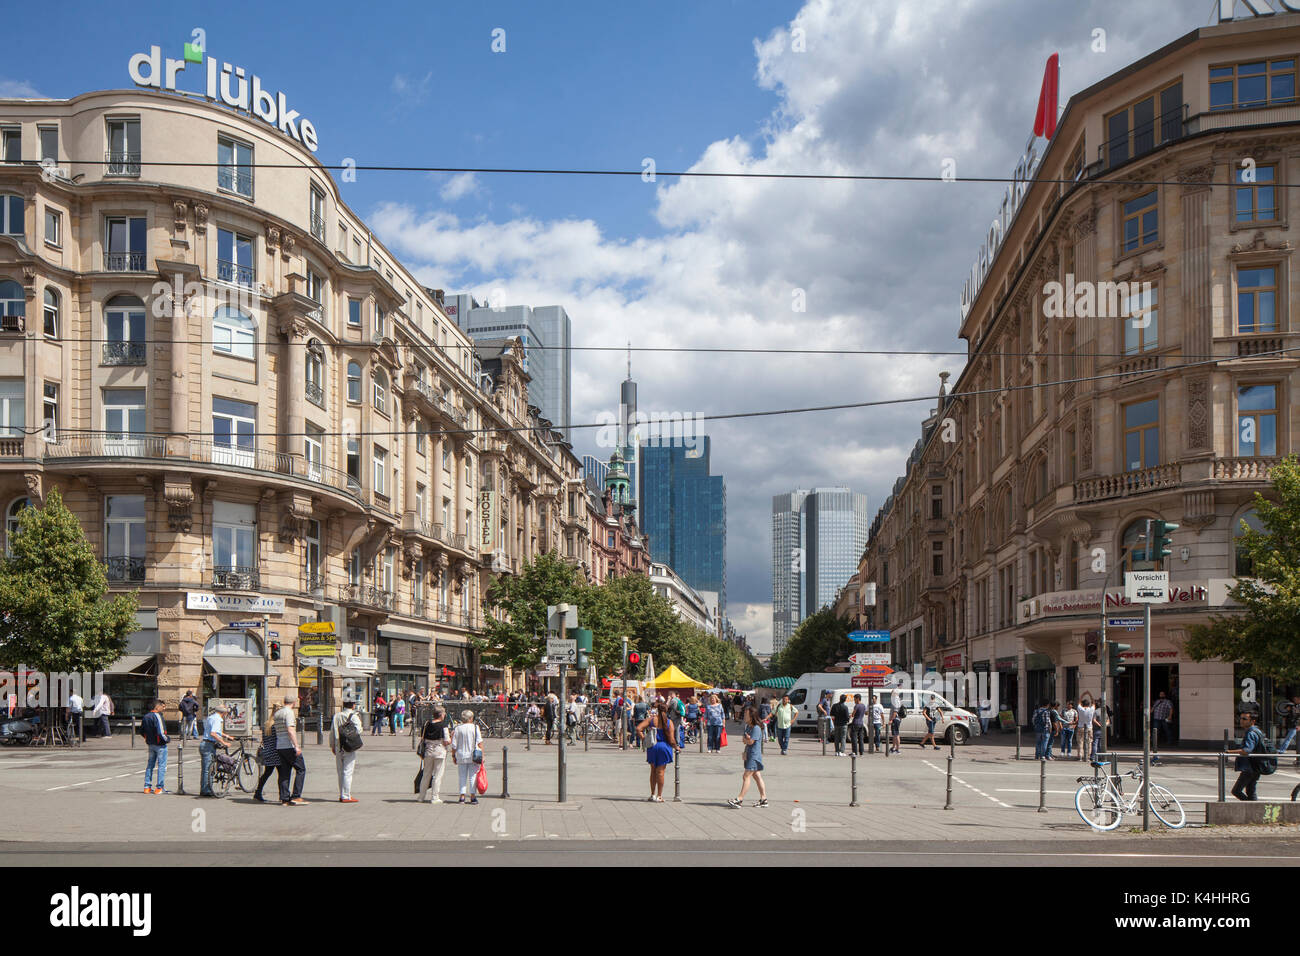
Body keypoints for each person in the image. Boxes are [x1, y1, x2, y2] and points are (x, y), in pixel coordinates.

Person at [727, 707, 768, 808]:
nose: (745, 716)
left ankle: (739, 799)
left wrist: (747, 739)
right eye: (745, 714)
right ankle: (764, 799)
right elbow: (744, 740)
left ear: (752, 716)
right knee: (757, 776)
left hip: (754, 755)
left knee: (746, 776)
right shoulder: (748, 727)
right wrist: (747, 739)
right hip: (749, 753)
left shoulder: (756, 728)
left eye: (747, 715)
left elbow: (750, 741)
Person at [637, 701, 676, 802]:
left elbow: (638, 728)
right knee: (661, 772)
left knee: (653, 771)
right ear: (667, 710)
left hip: (653, 746)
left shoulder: (651, 720)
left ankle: (652, 794)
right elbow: (671, 739)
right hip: (664, 747)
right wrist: (676, 747)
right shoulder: (669, 722)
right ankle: (659, 796)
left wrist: (644, 739)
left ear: (657, 710)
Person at [274, 695, 308, 806]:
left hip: (280, 746)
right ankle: (296, 796)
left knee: (284, 772)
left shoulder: (277, 713)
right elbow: (290, 730)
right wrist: (296, 746)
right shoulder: (289, 713)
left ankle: (284, 798)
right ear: (294, 702)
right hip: (289, 746)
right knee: (301, 769)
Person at [330, 696, 363, 803]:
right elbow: (359, 730)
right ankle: (346, 795)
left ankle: (342, 794)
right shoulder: (353, 716)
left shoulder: (337, 715)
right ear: (353, 705)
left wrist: (332, 745)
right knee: (348, 771)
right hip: (349, 746)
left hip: (338, 745)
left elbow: (332, 731)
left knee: (340, 771)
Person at [199, 704, 235, 798]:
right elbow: (213, 733)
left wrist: (227, 736)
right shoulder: (217, 719)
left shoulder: (212, 717)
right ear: (223, 713)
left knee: (206, 769)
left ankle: (204, 789)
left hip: (205, 744)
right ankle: (206, 790)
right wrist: (224, 743)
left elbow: (217, 731)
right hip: (208, 745)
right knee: (208, 769)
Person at [418, 706, 451, 803]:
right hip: (439, 751)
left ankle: (421, 796)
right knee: (438, 775)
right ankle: (435, 797)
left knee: (426, 774)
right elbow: (446, 741)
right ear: (441, 715)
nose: (445, 715)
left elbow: (423, 737)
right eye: (444, 713)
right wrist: (451, 738)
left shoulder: (427, 724)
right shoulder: (443, 726)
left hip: (428, 751)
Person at [1230, 710, 1265, 801]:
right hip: (1256, 765)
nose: (1241, 721)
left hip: (1250, 767)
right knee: (1251, 790)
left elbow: (1247, 750)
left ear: (1252, 721)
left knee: (1236, 791)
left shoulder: (1250, 733)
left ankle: (1251, 808)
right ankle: (1255, 811)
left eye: (1244, 719)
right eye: (1241, 718)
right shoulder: (1257, 731)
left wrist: (1229, 752)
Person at [450, 709, 483, 804]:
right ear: (470, 718)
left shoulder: (457, 728)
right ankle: (473, 796)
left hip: (461, 755)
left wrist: (453, 755)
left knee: (462, 776)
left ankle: (462, 796)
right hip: (474, 755)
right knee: (473, 776)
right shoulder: (475, 727)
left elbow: (454, 745)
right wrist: (483, 756)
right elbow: (480, 743)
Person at [142, 698, 170, 794]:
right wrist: (167, 739)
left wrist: (147, 738)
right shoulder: (157, 716)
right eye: (162, 706)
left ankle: (147, 786)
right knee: (162, 766)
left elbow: (142, 731)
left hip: (151, 744)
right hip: (160, 744)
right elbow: (161, 732)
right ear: (157, 706)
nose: (163, 708)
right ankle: (159, 787)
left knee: (150, 765)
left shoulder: (146, 716)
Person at [252, 715, 280, 802]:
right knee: (282, 774)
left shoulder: (266, 725)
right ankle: (283, 795)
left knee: (267, 773)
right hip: (276, 752)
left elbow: (264, 740)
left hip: (268, 752)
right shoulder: (277, 726)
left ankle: (258, 792)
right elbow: (278, 739)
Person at [1150, 691, 1174, 764]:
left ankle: (1169, 741)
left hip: (1164, 718)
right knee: (1155, 730)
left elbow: (1171, 709)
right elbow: (1153, 708)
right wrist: (1150, 712)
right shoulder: (1157, 701)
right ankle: (1154, 742)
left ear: (1165, 695)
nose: (1161, 695)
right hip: (1156, 718)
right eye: (1160, 694)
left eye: (1162, 694)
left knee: (1167, 730)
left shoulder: (1168, 701)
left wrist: (1170, 716)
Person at [1278, 694, 1300, 760]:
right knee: (1295, 739)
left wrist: (1298, 725)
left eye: (1296, 699)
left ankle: (1281, 750)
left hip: (1294, 726)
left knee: (1288, 738)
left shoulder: (1296, 708)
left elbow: (1297, 716)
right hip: (1292, 726)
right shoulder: (1294, 708)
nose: (1295, 700)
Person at [1077, 695, 1097, 762]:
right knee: (1089, 742)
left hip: (1080, 727)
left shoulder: (1080, 709)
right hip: (1089, 727)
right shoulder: (1091, 709)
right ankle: (1088, 757)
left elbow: (1079, 701)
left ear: (1082, 704)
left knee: (1080, 742)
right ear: (1089, 704)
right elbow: (1093, 702)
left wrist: (1083, 694)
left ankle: (1080, 756)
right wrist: (1090, 695)